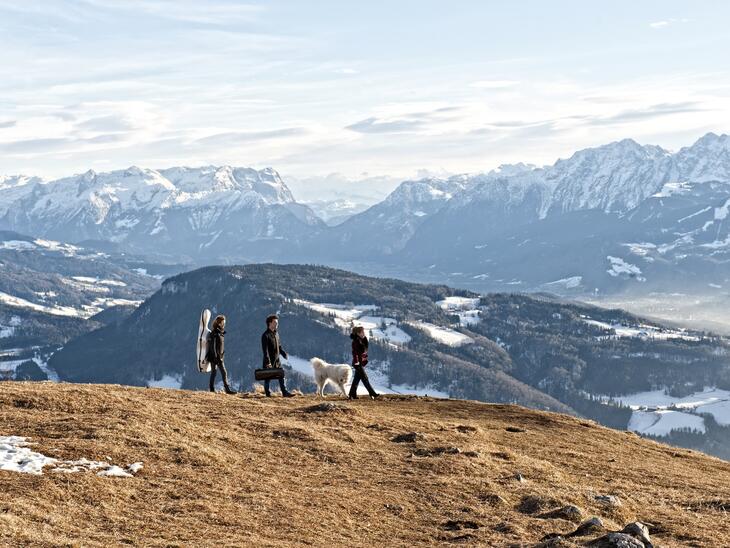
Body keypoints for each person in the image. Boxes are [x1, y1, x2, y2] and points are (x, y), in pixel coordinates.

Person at [261, 314, 294, 398]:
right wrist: (267, 362)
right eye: (275, 322)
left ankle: (284, 392)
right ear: (270, 323)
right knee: (268, 378)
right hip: (269, 360)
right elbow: (265, 351)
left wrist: (283, 353)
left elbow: (279, 346)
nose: (277, 324)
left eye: (277, 322)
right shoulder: (265, 335)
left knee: (281, 376)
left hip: (277, 360)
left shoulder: (276, 334)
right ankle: (268, 394)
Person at [207, 315, 236, 395]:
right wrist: (217, 357)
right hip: (216, 357)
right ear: (219, 323)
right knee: (223, 372)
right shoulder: (215, 333)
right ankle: (227, 389)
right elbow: (213, 346)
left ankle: (212, 389)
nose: (224, 324)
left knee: (214, 372)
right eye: (223, 322)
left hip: (218, 356)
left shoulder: (220, 332)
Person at [349, 325, 379, 400]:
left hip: (360, 363)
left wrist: (365, 338)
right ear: (358, 333)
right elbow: (355, 353)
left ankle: (352, 395)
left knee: (356, 379)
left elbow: (365, 348)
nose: (364, 333)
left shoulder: (360, 340)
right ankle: (373, 394)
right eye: (362, 332)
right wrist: (356, 362)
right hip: (358, 363)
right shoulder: (356, 341)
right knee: (365, 378)